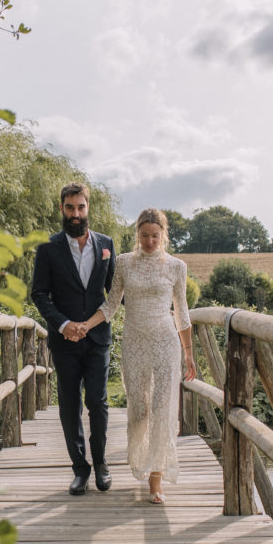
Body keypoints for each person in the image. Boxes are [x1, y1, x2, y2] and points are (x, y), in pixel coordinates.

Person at [77, 208, 197, 504]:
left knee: (161, 409)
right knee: (140, 409)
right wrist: (83, 326)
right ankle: (141, 462)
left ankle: (156, 480)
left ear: (163, 235)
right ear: (137, 235)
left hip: (166, 343)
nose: (150, 241)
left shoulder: (176, 267)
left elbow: (182, 313)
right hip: (134, 342)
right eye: (144, 235)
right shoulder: (125, 263)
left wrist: (189, 354)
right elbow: (111, 305)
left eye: (155, 235)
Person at [30, 183, 117, 496]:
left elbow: (114, 293)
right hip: (64, 341)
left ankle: (102, 464)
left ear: (88, 207)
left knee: (97, 401)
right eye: (70, 208)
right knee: (70, 406)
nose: (76, 214)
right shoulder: (48, 247)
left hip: (97, 339)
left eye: (81, 207)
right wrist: (63, 324)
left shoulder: (106, 245)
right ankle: (80, 469)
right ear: (61, 209)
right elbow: (39, 293)